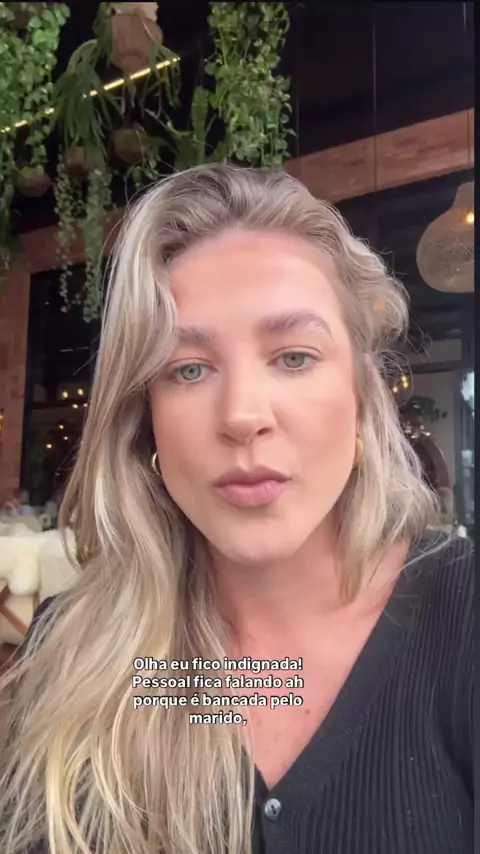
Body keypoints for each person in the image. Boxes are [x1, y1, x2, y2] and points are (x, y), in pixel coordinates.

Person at [0, 165, 473, 854]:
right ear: (147, 423)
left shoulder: (464, 615)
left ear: (362, 398)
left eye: (294, 357)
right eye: (188, 369)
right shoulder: (72, 649)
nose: (242, 416)